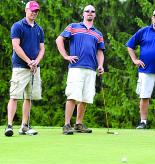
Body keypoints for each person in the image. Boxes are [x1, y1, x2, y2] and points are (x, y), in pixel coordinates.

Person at [56, 5, 105, 135]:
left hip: (91, 69)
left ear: (95, 15)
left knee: (85, 97)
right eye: (87, 11)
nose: (90, 13)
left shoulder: (98, 33)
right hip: (76, 67)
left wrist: (100, 65)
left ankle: (78, 124)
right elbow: (59, 40)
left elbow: (100, 51)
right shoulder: (73, 26)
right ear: (83, 14)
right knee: (73, 95)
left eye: (92, 11)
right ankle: (66, 124)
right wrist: (66, 56)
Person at [126, 9, 155, 130]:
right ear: (152, 18)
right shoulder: (144, 31)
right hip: (145, 71)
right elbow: (130, 45)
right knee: (144, 96)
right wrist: (134, 60)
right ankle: (143, 122)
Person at [4, 1, 45, 137]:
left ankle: (24, 126)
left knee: (29, 98)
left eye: (36, 11)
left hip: (34, 68)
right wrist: (28, 61)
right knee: (14, 96)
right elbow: (16, 45)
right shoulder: (18, 26)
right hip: (20, 67)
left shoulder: (39, 29)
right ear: (26, 10)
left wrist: (36, 62)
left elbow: (42, 49)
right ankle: (9, 126)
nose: (34, 13)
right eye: (32, 10)